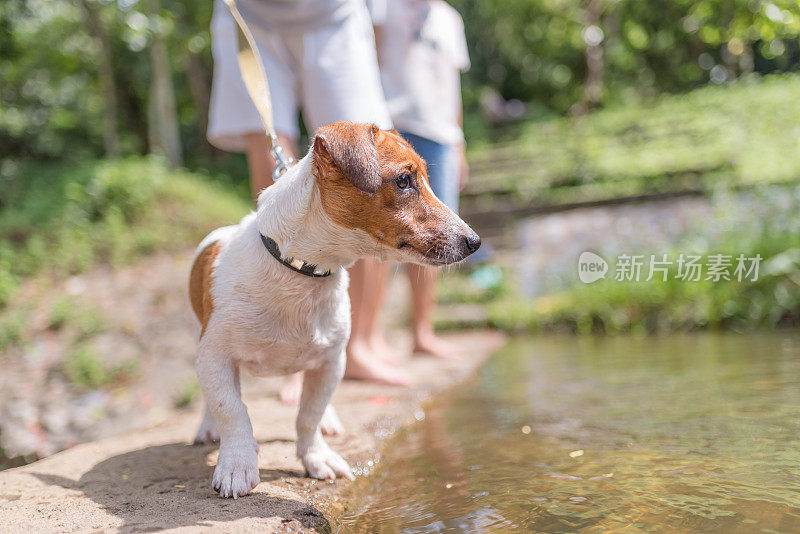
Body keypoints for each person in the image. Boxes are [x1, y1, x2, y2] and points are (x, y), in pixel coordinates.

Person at [206, 0, 410, 405]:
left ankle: (359, 343)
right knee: (269, 164)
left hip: (336, 14)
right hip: (249, 16)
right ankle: (296, 355)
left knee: (370, 170)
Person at [369, 0, 471, 358]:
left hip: (442, 138)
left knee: (437, 235)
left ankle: (421, 332)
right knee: (382, 236)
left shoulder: (450, 19)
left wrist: (458, 145)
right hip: (395, 127)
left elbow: (451, 87)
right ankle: (370, 335)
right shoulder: (382, 5)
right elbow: (368, 60)